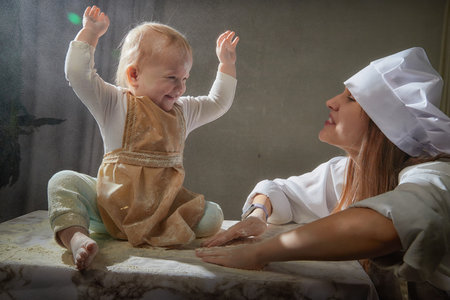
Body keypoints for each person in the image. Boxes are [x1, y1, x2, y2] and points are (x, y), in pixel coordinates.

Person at [196, 47, 450, 298]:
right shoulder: (348, 171)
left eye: (351, 98)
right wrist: (258, 214)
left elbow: (387, 223)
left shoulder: (436, 177)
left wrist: (259, 253)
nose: (331, 102)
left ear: (383, 124)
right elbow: (281, 190)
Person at [48, 6, 239, 270]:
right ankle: (77, 237)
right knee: (62, 182)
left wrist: (226, 66)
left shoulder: (184, 111)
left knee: (213, 215)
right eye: (172, 77)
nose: (181, 87)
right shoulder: (114, 104)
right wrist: (90, 33)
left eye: (184, 78)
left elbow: (218, 102)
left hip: (162, 214)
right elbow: (79, 75)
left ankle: (156, 230)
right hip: (109, 209)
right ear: (134, 75)